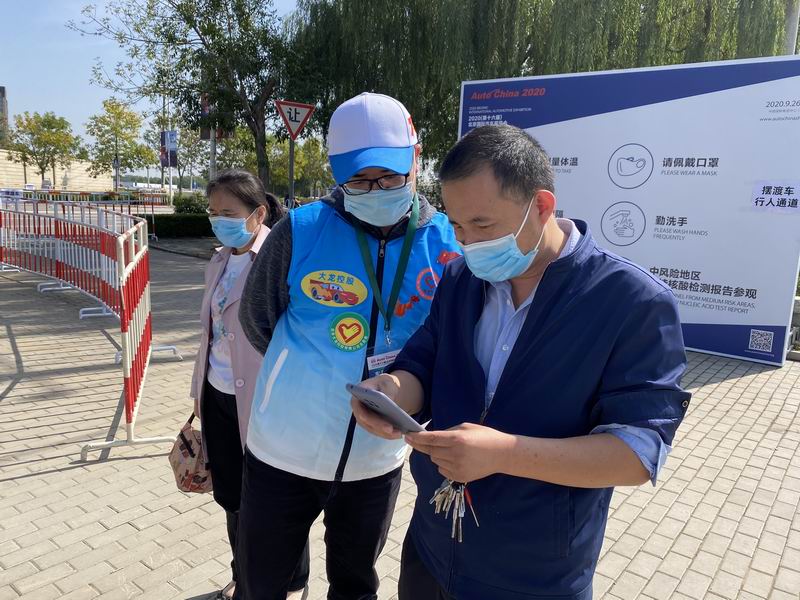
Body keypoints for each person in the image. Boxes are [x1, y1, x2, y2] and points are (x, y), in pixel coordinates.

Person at [352, 124, 691, 600]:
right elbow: (424, 362)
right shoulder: (460, 279)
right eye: (457, 226)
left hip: (534, 573)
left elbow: (637, 453)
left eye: (483, 226)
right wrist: (391, 393)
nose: (469, 243)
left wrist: (504, 453)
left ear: (543, 206)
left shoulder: (631, 302)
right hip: (432, 547)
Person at [236, 92, 461, 600]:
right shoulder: (301, 229)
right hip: (282, 451)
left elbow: (446, 346)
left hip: (376, 461)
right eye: (358, 179)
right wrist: (303, 375)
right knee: (261, 585)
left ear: (416, 159)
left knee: (356, 586)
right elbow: (257, 319)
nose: (374, 189)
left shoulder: (447, 243)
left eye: (389, 176)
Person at [189, 169, 309, 600]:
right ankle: (242, 574)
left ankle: (293, 581)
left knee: (278, 496)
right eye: (213, 212)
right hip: (218, 394)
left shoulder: (281, 258)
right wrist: (198, 392)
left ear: (258, 214)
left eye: (228, 213)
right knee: (233, 497)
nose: (218, 220)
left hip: (264, 400)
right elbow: (209, 332)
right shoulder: (219, 259)